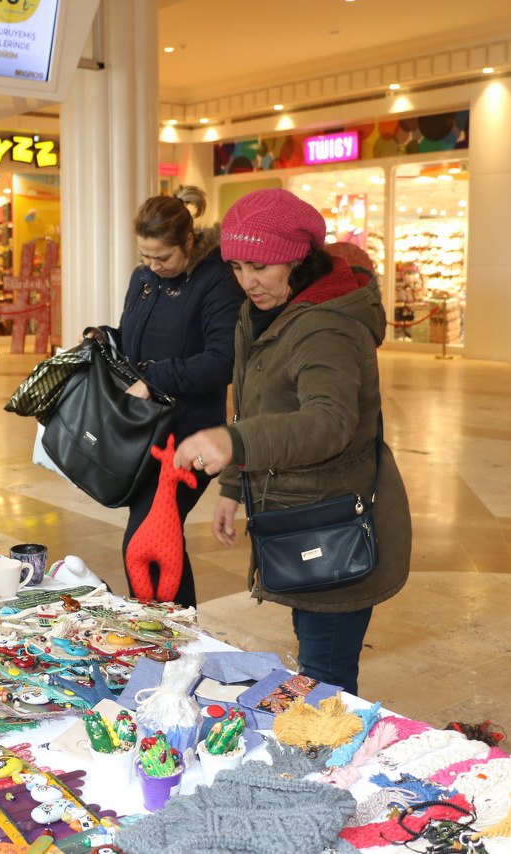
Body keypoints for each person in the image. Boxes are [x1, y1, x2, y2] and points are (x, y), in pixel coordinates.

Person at [175, 188, 412, 696]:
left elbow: (329, 422)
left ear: (296, 259)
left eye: (259, 266)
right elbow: (255, 408)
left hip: (333, 521)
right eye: (236, 267)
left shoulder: (325, 326)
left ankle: (322, 764)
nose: (247, 281)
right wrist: (234, 489)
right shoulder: (260, 314)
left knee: (325, 677)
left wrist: (233, 440)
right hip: (299, 515)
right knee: (316, 659)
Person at [86, 186, 243, 609]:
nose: (153, 266)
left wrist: (156, 380)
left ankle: (169, 640)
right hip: (142, 433)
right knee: (160, 541)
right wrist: (107, 337)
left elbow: (222, 360)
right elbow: (136, 344)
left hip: (189, 439)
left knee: (147, 539)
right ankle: (174, 636)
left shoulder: (216, 282)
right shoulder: (144, 281)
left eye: (163, 258)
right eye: (145, 257)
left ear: (189, 242)